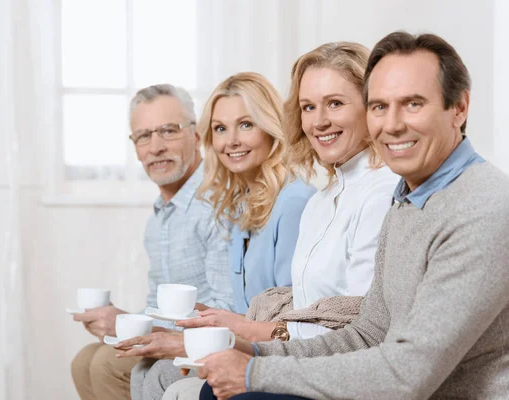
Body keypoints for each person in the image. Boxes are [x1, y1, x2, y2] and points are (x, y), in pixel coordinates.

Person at [198, 31, 509, 400]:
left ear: (459, 108)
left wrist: (257, 371)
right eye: (379, 107)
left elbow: (407, 373)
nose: (392, 124)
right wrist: (255, 351)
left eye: (413, 104)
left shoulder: (485, 208)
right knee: (219, 389)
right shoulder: (407, 200)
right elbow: (367, 333)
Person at [164, 42, 400, 399]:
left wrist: (250, 337)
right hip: (309, 358)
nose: (319, 121)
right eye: (308, 107)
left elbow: (361, 328)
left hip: (346, 373)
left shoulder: (382, 192)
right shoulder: (321, 202)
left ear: (372, 106)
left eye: (335, 103)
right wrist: (242, 338)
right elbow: (307, 315)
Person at [123, 72, 316, 400]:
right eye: (220, 129)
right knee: (145, 372)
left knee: (160, 378)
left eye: (246, 124)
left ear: (270, 127)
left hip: (276, 351)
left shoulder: (294, 201)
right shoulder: (241, 204)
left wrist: (206, 339)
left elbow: (294, 319)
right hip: (239, 339)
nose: (232, 141)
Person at [69, 84, 234, 400]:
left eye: (168, 131)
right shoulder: (158, 219)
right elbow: (157, 307)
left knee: (105, 363)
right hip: (171, 338)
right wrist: (123, 322)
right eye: (143, 136)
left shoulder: (218, 203)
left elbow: (227, 309)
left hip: (207, 343)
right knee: (84, 360)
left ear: (196, 135)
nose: (155, 147)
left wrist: (136, 329)